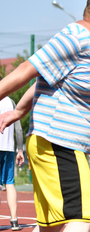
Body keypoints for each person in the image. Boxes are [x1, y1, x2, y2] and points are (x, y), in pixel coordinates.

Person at [0, 0, 90, 232]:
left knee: (52, 227)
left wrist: (18, 112)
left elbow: (42, 80)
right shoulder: (74, 38)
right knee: (83, 217)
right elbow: (28, 69)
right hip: (59, 143)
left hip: (56, 143)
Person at [0, 93, 25, 231]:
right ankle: (14, 221)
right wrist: (20, 150)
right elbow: (18, 128)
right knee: (10, 183)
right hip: (8, 148)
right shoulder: (11, 102)